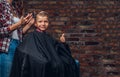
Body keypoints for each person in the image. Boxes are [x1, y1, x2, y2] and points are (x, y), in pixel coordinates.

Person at [10, 11, 79, 77]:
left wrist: (63, 43)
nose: (43, 24)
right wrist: (41, 60)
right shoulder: (31, 36)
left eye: (45, 21)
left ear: (48, 23)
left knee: (69, 63)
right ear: (35, 24)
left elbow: (57, 50)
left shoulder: (49, 38)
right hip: (40, 63)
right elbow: (24, 51)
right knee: (46, 64)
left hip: (51, 62)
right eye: (40, 21)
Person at [0, 0, 34, 77]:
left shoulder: (14, 7)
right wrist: (19, 24)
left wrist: (29, 24)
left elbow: (18, 34)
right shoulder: (1, 4)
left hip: (18, 45)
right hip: (7, 47)